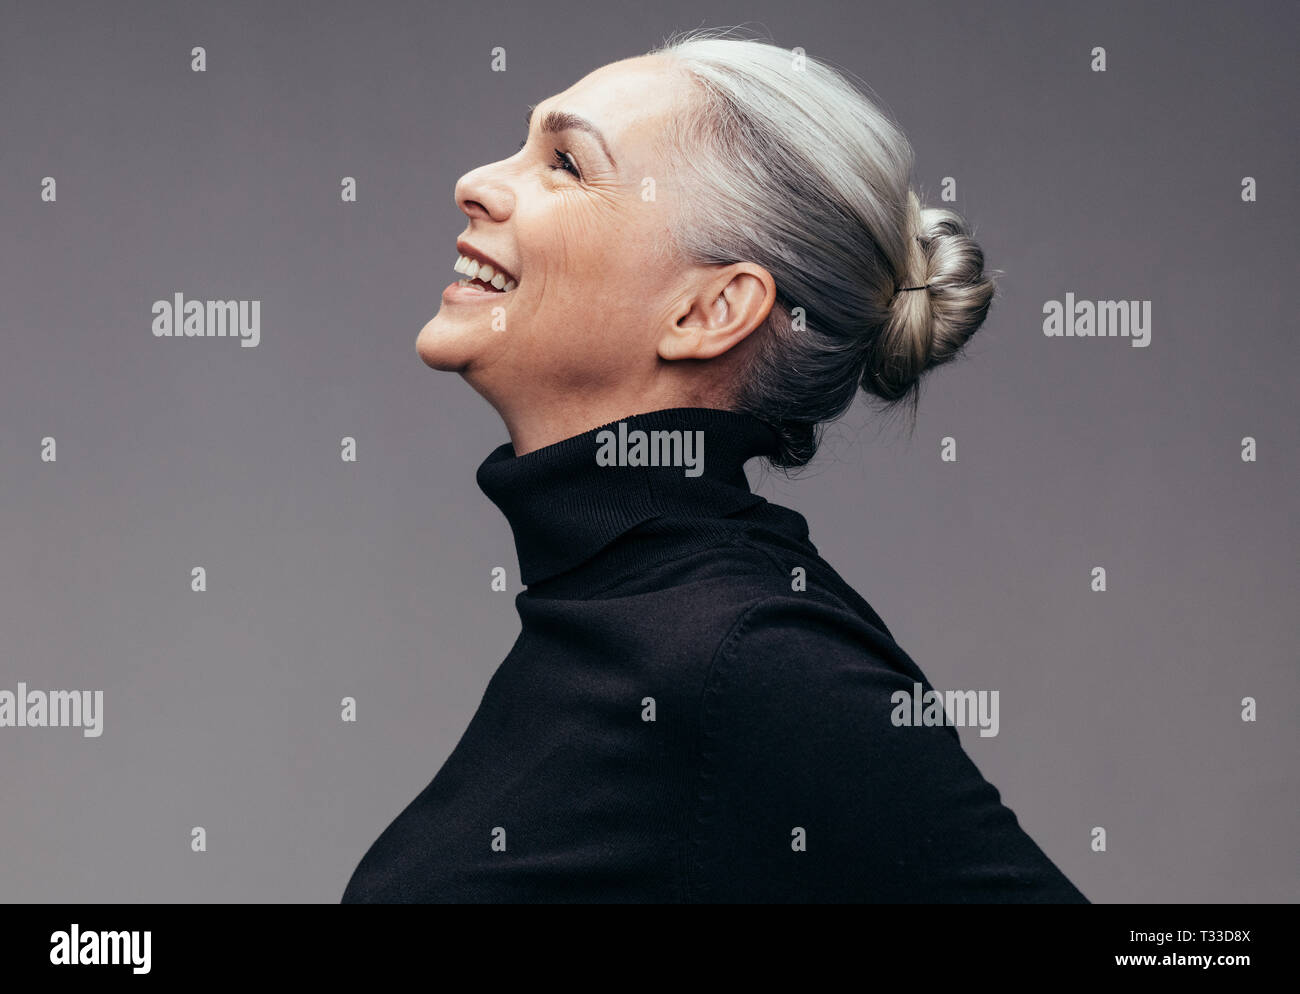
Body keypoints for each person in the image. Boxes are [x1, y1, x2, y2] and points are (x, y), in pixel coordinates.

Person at [342, 27, 1088, 903]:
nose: (476, 184)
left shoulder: (748, 657)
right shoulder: (622, 608)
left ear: (710, 310)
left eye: (568, 164)